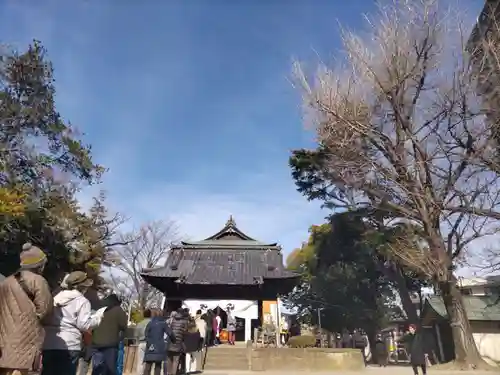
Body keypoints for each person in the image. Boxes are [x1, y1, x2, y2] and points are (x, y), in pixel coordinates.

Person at [0, 243, 53, 375]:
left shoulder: (7, 281)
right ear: (39, 264)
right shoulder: (38, 281)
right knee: (21, 369)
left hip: (5, 336)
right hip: (26, 336)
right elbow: (45, 310)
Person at [42, 271, 105, 375]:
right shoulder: (82, 301)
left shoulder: (55, 298)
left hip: (49, 342)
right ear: (82, 287)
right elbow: (83, 325)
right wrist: (98, 318)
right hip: (70, 344)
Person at [91, 294, 128, 375]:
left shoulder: (99, 310)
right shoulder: (118, 310)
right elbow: (124, 325)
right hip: (110, 344)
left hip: (96, 343)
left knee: (97, 368)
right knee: (110, 369)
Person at [143, 309, 175, 375]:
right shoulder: (163, 323)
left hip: (150, 347)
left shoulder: (150, 323)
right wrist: (174, 340)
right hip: (160, 347)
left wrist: (149, 343)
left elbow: (146, 334)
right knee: (158, 367)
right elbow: (170, 333)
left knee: (148, 366)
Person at [166, 308, 189, 375]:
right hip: (178, 342)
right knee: (176, 360)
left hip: (170, 341)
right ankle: (173, 373)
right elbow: (185, 332)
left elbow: (170, 330)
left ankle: (168, 373)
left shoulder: (172, 320)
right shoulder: (184, 321)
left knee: (169, 359)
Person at [135, 309, 153, 375]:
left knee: (140, 362)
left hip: (141, 342)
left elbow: (136, 335)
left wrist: (138, 342)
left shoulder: (140, 323)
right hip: (150, 343)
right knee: (148, 362)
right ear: (150, 314)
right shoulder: (153, 323)